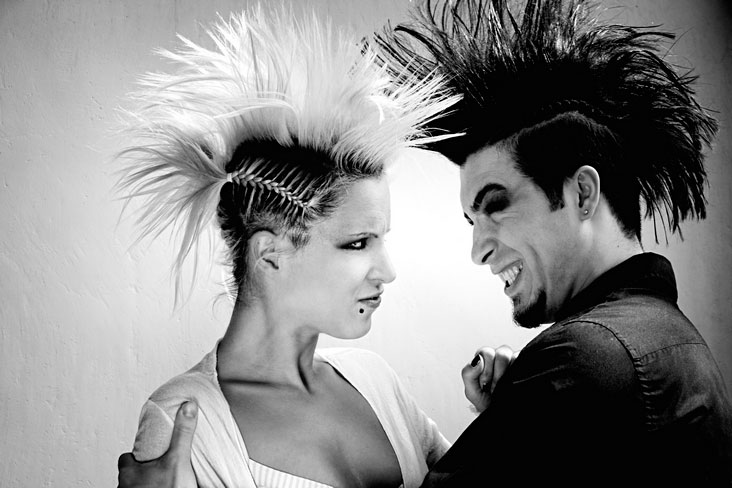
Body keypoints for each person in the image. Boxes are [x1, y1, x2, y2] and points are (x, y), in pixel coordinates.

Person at [113, 6, 502, 488]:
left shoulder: (375, 381)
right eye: (357, 243)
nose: (387, 270)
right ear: (269, 255)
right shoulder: (185, 421)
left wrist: (501, 422)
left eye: (381, 240)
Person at [373, 0, 732, 485]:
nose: (478, 251)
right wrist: (518, 417)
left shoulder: (587, 358)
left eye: (496, 205)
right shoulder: (669, 339)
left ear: (581, 193)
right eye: (471, 221)